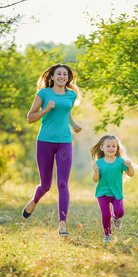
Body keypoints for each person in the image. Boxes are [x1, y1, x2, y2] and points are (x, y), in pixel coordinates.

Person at [22, 63, 82, 237]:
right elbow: (30, 118)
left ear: (68, 78)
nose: (62, 77)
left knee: (62, 183)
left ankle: (62, 224)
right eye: (59, 74)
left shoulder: (71, 95)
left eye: (65, 74)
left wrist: (74, 124)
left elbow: (67, 113)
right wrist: (46, 109)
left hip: (64, 142)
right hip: (45, 142)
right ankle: (34, 201)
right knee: (46, 185)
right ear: (53, 77)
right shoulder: (43, 94)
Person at [90, 135, 134, 242]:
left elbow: (130, 174)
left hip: (116, 193)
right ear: (102, 147)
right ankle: (107, 235)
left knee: (120, 212)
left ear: (117, 148)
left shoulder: (120, 162)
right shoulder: (99, 163)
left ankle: (115, 218)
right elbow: (95, 180)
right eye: (108, 146)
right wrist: (96, 172)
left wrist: (130, 166)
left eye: (114, 146)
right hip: (102, 193)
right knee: (105, 215)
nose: (111, 148)